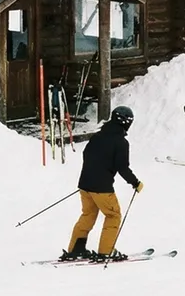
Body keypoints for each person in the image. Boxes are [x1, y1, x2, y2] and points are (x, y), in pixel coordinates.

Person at [61, 106, 143, 262]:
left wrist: (92, 175)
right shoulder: (121, 142)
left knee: (88, 215)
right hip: (102, 188)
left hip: (85, 185)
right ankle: (106, 251)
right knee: (113, 215)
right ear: (125, 122)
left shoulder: (98, 136)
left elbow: (86, 155)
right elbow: (122, 168)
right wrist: (135, 183)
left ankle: (76, 249)